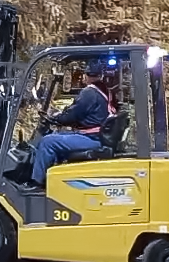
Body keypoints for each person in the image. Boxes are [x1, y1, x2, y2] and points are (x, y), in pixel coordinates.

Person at [29, 60, 115, 188]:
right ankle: (52, 179)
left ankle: (35, 184)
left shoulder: (89, 92)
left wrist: (58, 118)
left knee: (47, 142)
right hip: (97, 136)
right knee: (58, 135)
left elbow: (73, 114)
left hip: (92, 139)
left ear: (86, 75)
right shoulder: (105, 91)